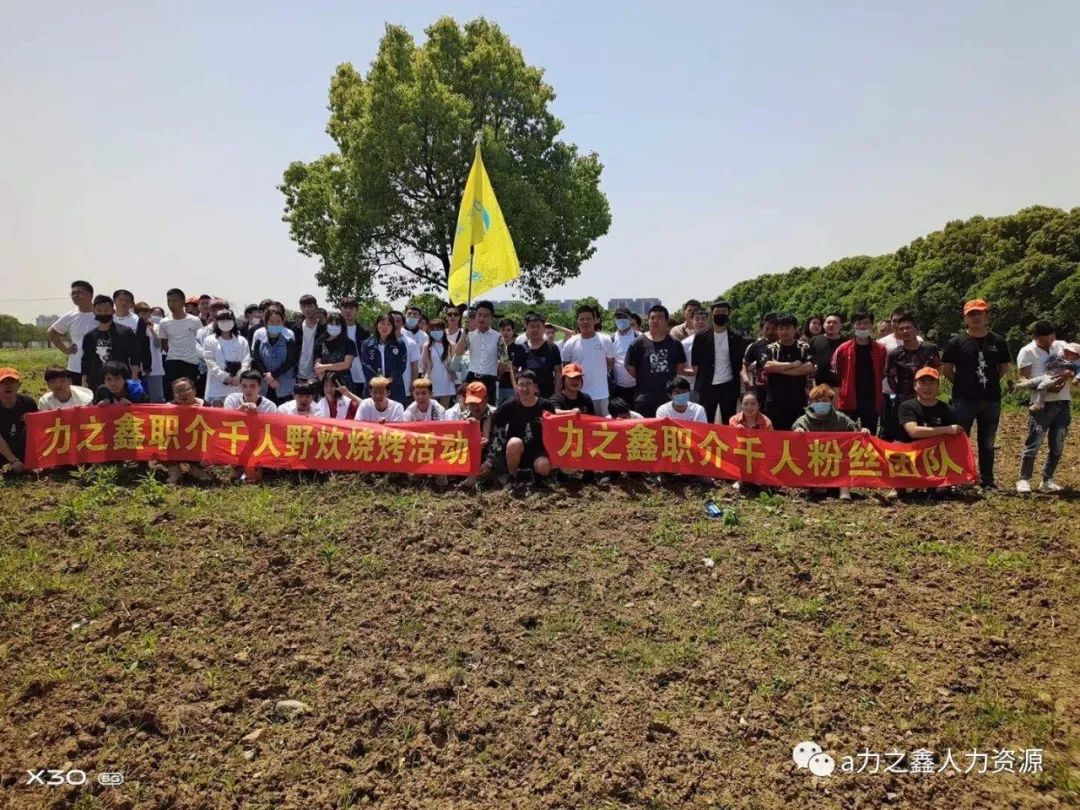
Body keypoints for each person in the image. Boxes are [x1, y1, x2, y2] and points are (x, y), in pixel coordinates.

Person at [940, 299, 1011, 490]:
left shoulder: (998, 341)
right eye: (971, 314)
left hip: (991, 399)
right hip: (963, 399)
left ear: (987, 315)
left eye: (979, 313)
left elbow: (1003, 367)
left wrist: (989, 382)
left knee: (987, 442)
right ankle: (960, 478)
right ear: (965, 318)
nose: (975, 317)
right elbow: (947, 369)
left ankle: (987, 480)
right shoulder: (956, 342)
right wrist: (962, 383)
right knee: (960, 440)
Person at [1015, 323, 1075, 494]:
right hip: (1041, 405)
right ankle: (1024, 479)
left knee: (1057, 444)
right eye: (1044, 340)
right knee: (1034, 442)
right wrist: (1045, 385)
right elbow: (1023, 377)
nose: (1049, 343)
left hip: (1062, 402)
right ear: (1035, 338)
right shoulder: (1027, 351)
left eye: (1051, 338)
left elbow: (1075, 362)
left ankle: (1047, 479)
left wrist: (1069, 374)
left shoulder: (1061, 346)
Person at [792, 384, 865, 500]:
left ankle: (844, 487)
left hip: (836, 458)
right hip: (815, 459)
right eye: (817, 400)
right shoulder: (804, 420)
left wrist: (863, 431)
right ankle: (817, 485)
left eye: (825, 400)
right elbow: (794, 431)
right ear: (811, 402)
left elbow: (856, 431)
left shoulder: (840, 418)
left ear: (831, 402)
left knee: (846, 455)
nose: (821, 403)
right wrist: (797, 431)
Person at [492, 371, 554, 491]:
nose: (525, 388)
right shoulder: (509, 405)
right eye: (521, 384)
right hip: (516, 450)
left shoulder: (546, 405)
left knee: (543, 467)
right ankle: (512, 477)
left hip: (538, 450)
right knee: (514, 442)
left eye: (528, 384)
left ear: (535, 387)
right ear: (517, 388)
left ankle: (536, 478)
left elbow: (555, 429)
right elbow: (493, 419)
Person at [882, 313, 940, 440]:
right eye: (901, 329)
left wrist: (931, 388)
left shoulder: (930, 349)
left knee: (929, 435)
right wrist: (899, 392)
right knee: (902, 437)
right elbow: (890, 377)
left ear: (916, 329)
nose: (905, 331)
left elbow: (937, 370)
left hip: (927, 399)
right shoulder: (895, 354)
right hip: (904, 401)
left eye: (908, 327)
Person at [690, 299, 748, 424]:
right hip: (707, 387)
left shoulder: (736, 337)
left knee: (729, 422)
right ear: (712, 314)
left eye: (723, 312)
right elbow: (695, 364)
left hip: (729, 386)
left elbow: (739, 362)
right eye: (717, 312)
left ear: (728, 314)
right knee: (706, 422)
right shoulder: (701, 337)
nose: (720, 314)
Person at [625, 304, 688, 417]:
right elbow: (630, 367)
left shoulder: (675, 343)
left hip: (669, 398)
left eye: (659, 317)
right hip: (645, 398)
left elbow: (680, 366)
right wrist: (644, 376)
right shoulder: (638, 343)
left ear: (666, 321)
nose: (655, 321)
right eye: (652, 318)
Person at [831, 309, 886, 434]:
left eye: (866, 323)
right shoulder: (843, 348)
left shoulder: (880, 349)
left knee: (870, 435)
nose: (862, 326)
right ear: (853, 325)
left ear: (871, 325)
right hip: (848, 398)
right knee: (846, 435)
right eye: (858, 323)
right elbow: (836, 371)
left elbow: (883, 372)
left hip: (872, 399)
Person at [559, 305, 616, 416]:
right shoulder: (570, 343)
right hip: (578, 395)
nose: (585, 322)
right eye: (581, 319)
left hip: (601, 394)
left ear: (595, 320)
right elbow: (566, 368)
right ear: (577, 322)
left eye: (589, 318)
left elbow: (610, 363)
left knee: (603, 424)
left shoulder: (605, 340)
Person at [762, 314, 815, 430]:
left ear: (795, 329)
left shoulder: (804, 347)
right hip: (775, 402)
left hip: (798, 401)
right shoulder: (770, 348)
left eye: (787, 328)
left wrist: (779, 369)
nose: (784, 332)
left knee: (798, 433)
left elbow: (808, 368)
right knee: (775, 435)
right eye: (781, 328)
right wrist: (792, 364)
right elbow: (767, 366)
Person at [81, 294, 138, 390]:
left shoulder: (125, 332)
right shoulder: (89, 336)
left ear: (113, 311)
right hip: (96, 381)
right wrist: (84, 379)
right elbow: (86, 360)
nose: (103, 313)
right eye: (99, 310)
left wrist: (134, 378)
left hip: (121, 380)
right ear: (94, 311)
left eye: (107, 310)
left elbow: (135, 356)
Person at [48, 280, 99, 386]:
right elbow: (51, 332)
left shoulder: (101, 312)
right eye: (73, 293)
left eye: (79, 292)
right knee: (77, 395)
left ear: (90, 294)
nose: (75, 296)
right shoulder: (71, 315)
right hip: (75, 367)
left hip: (99, 366)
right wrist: (65, 349)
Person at [157, 288, 205, 393]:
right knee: (172, 394)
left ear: (183, 303)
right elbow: (164, 344)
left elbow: (201, 341)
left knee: (190, 394)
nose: (171, 304)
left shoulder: (194, 321)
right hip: (172, 362)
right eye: (169, 301)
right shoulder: (164, 322)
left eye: (175, 301)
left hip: (191, 363)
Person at [455, 300, 503, 402]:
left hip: (489, 380)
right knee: (469, 407)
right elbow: (458, 353)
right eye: (479, 315)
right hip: (472, 377)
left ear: (491, 318)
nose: (482, 318)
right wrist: (464, 332)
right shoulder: (469, 335)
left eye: (486, 316)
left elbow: (503, 361)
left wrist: (496, 375)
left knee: (488, 408)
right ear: (475, 316)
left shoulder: (498, 337)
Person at [202, 309, 252, 406]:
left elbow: (246, 361)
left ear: (233, 321)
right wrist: (224, 377)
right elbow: (209, 360)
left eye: (228, 319)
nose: (225, 322)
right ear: (217, 322)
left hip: (237, 386)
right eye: (222, 320)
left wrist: (239, 376)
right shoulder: (209, 340)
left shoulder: (242, 341)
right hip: (217, 387)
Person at [250, 307, 299, 405]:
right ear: (266, 322)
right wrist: (267, 377)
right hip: (264, 385)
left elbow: (291, 361)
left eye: (278, 321)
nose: (275, 324)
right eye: (271, 321)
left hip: (283, 385)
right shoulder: (259, 340)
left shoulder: (289, 340)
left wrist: (273, 376)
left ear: (283, 322)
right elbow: (256, 360)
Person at [165, 378, 209, 484]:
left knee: (203, 476)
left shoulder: (206, 406)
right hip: (176, 445)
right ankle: (174, 471)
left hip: (198, 445)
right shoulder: (167, 408)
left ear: (194, 390)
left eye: (186, 389)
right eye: (178, 391)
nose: (182, 394)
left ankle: (196, 469)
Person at [1016, 338, 1079, 411]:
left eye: (1071, 353)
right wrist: (1051, 364)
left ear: (1076, 356)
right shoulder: (1057, 358)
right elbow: (1047, 363)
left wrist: (1074, 376)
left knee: (1042, 386)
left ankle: (1039, 404)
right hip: (1047, 376)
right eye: (1066, 351)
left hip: (1055, 381)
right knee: (1033, 381)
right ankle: (1016, 386)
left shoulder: (1072, 364)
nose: (1067, 353)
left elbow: (1077, 372)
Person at [510, 313, 563, 400]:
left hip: (548, 395)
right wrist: (516, 387)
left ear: (544, 328)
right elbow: (513, 369)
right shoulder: (521, 348)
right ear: (526, 328)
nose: (535, 329)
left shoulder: (552, 348)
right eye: (531, 326)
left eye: (538, 326)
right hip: (526, 394)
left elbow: (558, 372)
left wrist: (557, 393)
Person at [360, 313, 410, 403]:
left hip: (394, 386)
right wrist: (378, 381)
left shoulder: (399, 344)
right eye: (382, 323)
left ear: (392, 327)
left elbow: (402, 364)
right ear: (376, 325)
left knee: (395, 409)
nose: (385, 327)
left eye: (388, 324)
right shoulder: (367, 344)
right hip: (373, 385)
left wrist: (390, 378)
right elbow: (365, 364)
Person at [0, 368, 36, 474]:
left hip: (19, 446)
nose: (8, 386)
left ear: (19, 385)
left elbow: (37, 431)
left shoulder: (28, 402)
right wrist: (13, 460)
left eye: (12, 382)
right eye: (3, 382)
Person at [742, 313, 779, 406]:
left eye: (774, 329)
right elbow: (744, 364)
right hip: (761, 392)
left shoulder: (785, 344)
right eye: (767, 329)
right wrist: (746, 378)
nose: (770, 332)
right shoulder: (755, 346)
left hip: (781, 391)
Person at [312, 313, 357, 387]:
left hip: (344, 384)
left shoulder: (349, 343)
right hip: (325, 383)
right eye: (331, 323)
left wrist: (324, 367)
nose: (334, 326)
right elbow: (318, 366)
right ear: (327, 325)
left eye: (337, 324)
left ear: (342, 326)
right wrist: (326, 384)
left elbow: (346, 364)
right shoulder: (319, 342)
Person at [421, 318, 458, 405]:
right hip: (432, 380)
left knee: (444, 408)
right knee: (431, 407)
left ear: (443, 330)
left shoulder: (451, 345)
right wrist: (425, 380)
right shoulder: (427, 346)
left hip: (447, 381)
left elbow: (455, 364)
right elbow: (426, 366)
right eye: (433, 329)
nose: (436, 332)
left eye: (438, 329)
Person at [610, 307, 641, 405]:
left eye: (624, 317)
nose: (621, 320)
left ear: (630, 319)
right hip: (618, 387)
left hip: (637, 386)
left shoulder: (639, 337)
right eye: (618, 317)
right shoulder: (611, 339)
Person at [136, 302, 166, 403]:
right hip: (138, 369)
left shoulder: (157, 326)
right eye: (142, 313)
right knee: (140, 399)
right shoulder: (134, 326)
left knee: (157, 399)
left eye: (147, 312)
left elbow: (159, 344)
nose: (145, 315)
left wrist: (151, 329)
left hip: (155, 368)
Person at [339, 297, 371, 394]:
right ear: (340, 310)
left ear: (357, 311)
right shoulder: (335, 331)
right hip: (342, 375)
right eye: (345, 308)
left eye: (351, 308)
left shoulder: (364, 331)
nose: (348, 311)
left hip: (361, 374)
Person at [291, 295, 325, 381]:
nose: (307, 309)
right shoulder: (296, 328)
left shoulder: (324, 328)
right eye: (304, 306)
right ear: (300, 308)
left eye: (310, 306)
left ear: (316, 307)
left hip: (318, 374)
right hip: (298, 373)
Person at [807, 313, 845, 387]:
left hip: (840, 386)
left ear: (841, 326)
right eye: (828, 322)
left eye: (835, 323)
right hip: (818, 386)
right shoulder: (814, 340)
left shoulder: (846, 343)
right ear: (824, 325)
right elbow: (808, 360)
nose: (831, 325)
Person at [679, 309, 710, 390]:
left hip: (714, 385)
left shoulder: (715, 340)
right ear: (691, 321)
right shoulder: (684, 344)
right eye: (697, 319)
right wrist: (698, 373)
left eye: (703, 319)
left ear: (708, 321)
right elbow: (680, 369)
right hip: (692, 385)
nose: (700, 322)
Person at [496, 318, 518, 405]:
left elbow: (516, 368)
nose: (505, 333)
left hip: (512, 386)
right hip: (497, 385)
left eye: (508, 330)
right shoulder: (495, 348)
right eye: (503, 330)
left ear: (513, 331)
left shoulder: (518, 348)